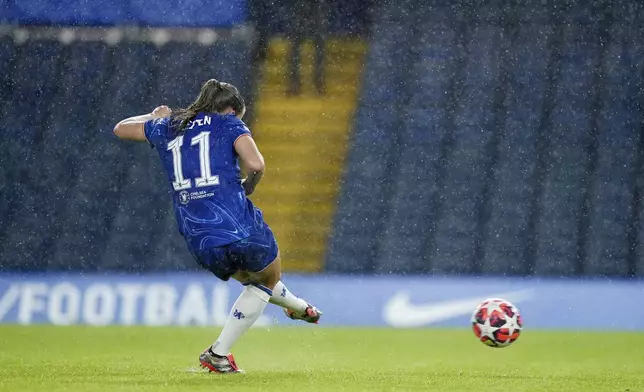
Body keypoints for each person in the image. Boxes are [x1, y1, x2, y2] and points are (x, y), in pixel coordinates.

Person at [113, 79, 321, 373]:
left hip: (197, 233)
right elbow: (257, 164)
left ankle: (301, 308)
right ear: (233, 110)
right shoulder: (228, 123)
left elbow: (120, 128)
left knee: (254, 282)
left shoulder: (170, 126)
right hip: (235, 222)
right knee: (267, 276)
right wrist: (249, 185)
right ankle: (218, 353)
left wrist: (153, 116)